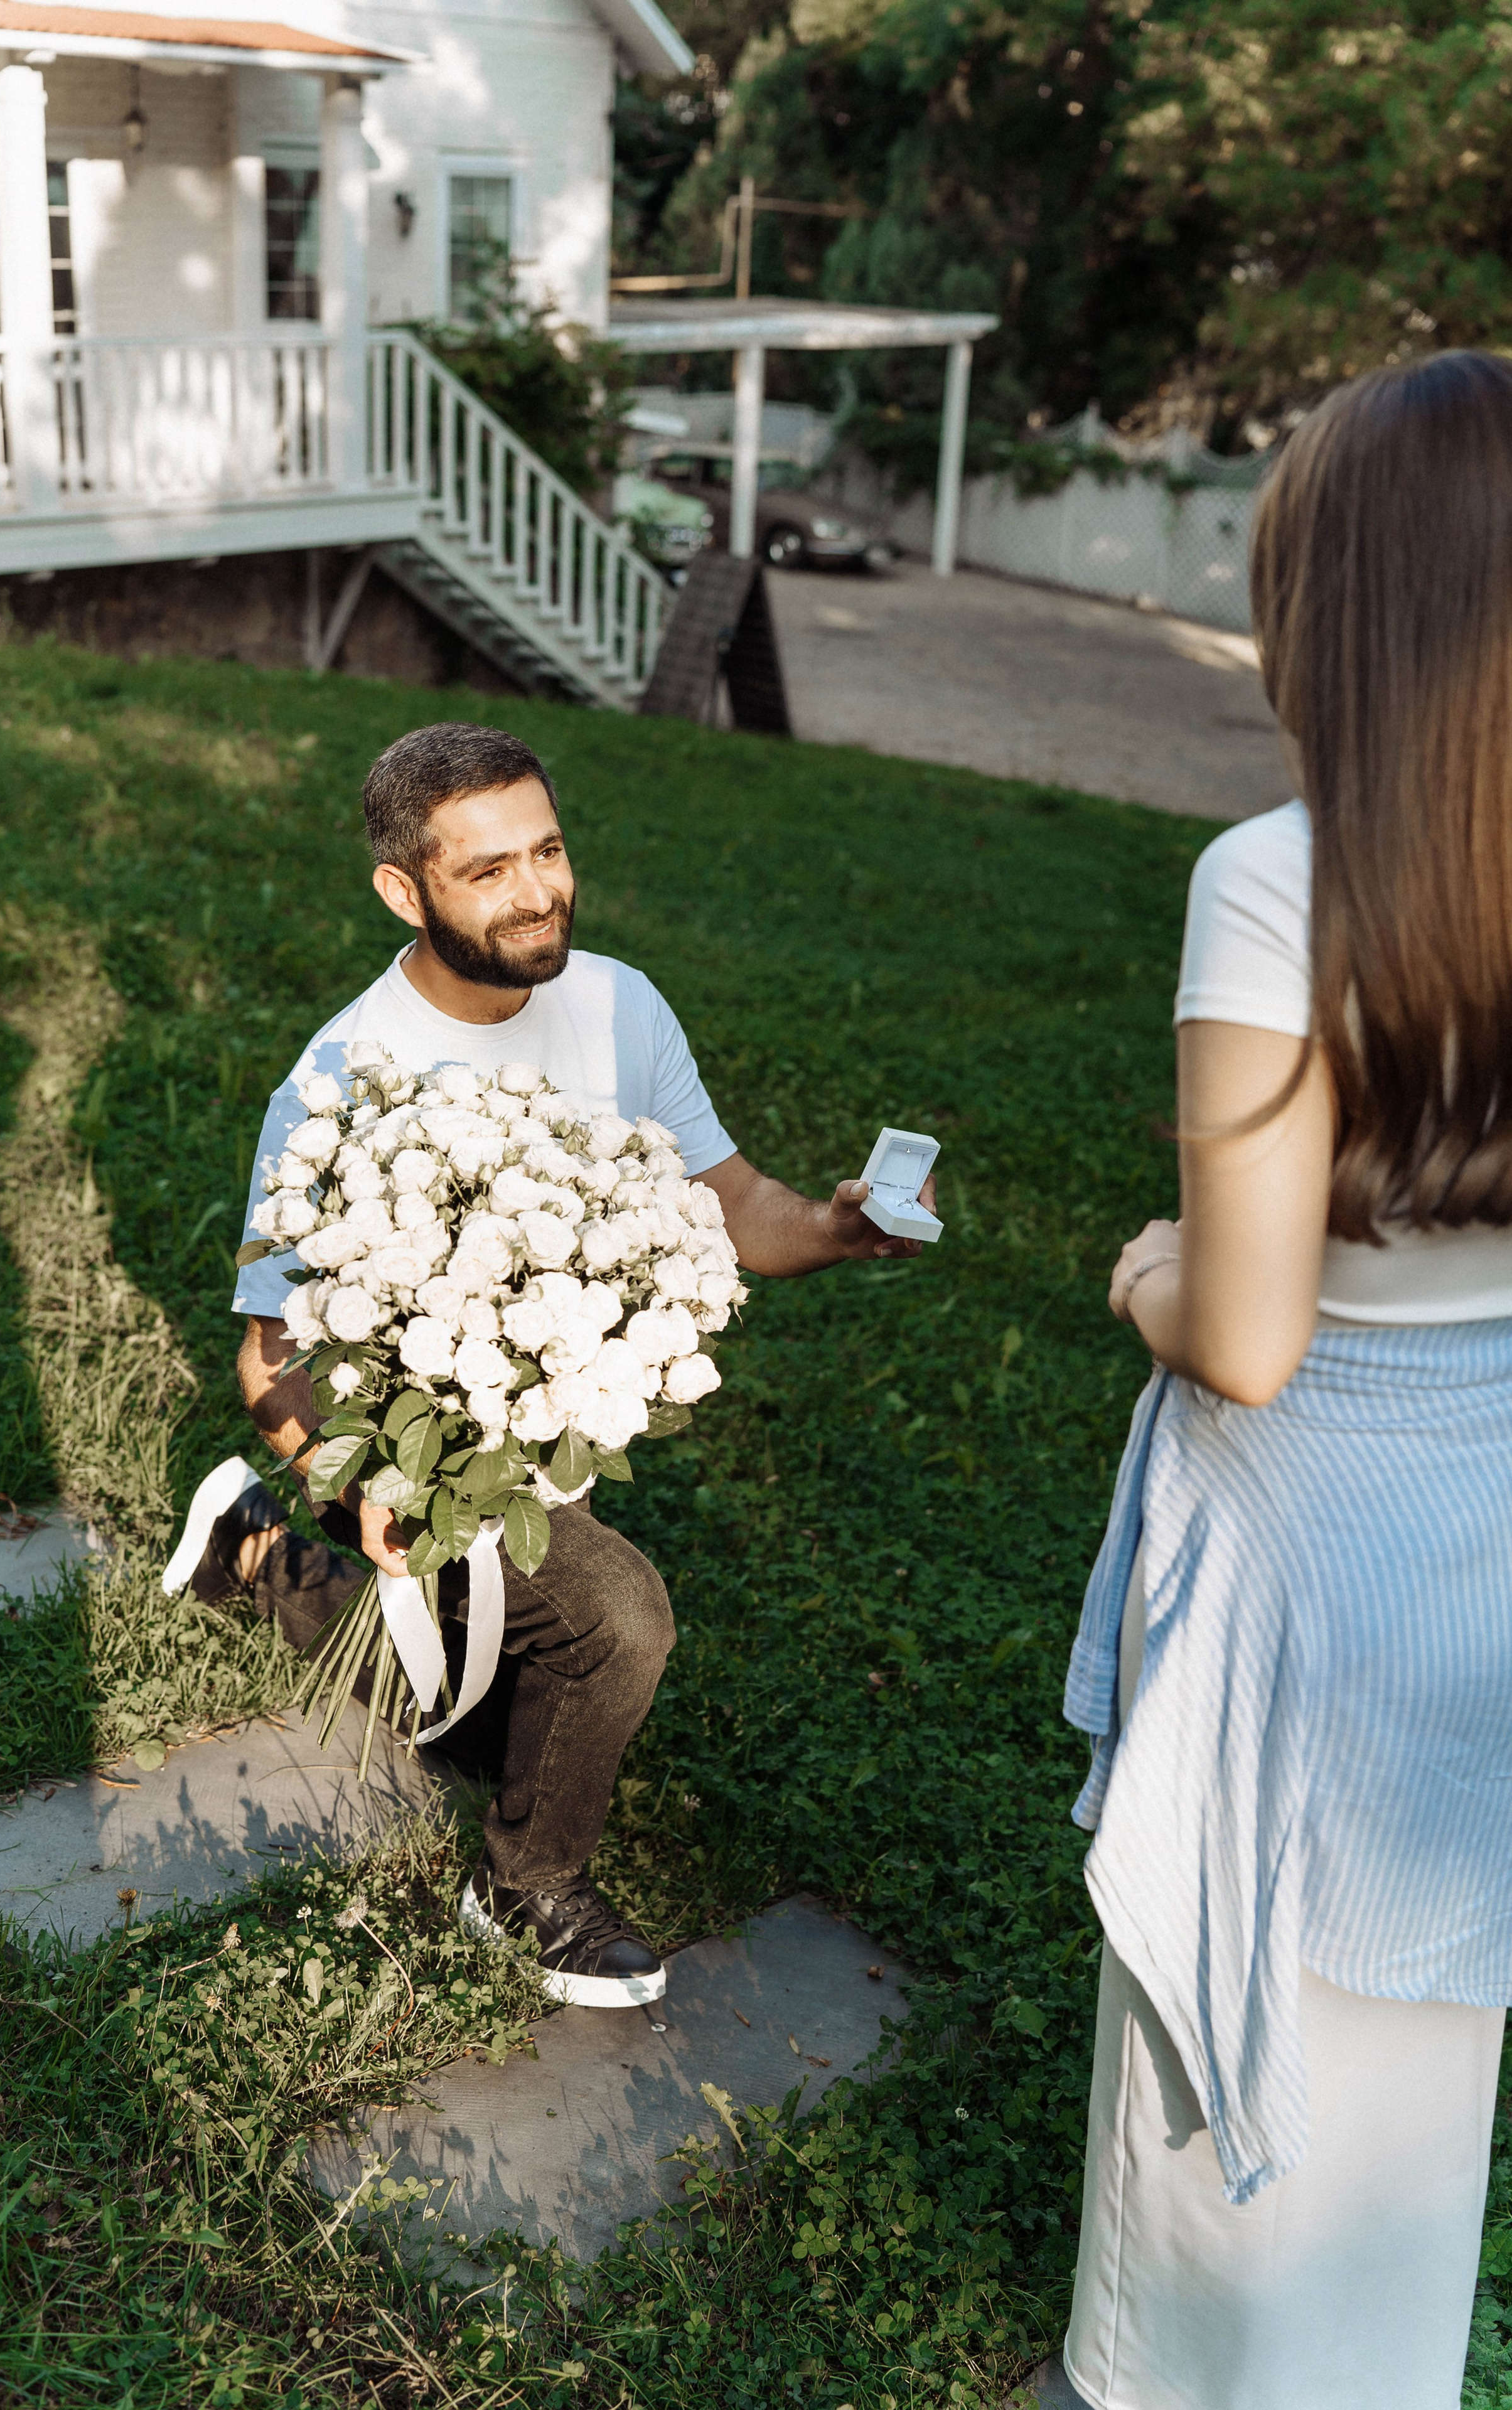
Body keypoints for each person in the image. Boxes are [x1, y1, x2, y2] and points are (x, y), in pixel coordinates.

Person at [162, 720, 935, 2011]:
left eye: (550, 851)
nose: (536, 893)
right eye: (488, 871)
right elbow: (270, 1360)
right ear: (403, 891)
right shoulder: (341, 1081)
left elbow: (728, 1201)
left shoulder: (620, 1003)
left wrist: (835, 1227)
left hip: (545, 1433)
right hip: (406, 1439)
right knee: (615, 1622)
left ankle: (250, 1556)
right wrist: (363, 1484)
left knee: (478, 1720)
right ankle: (525, 1888)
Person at [1039, 350, 1512, 2410]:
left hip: (1306, 1554)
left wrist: (1148, 1266)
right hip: (1489, 1523)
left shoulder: (1274, 881)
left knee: (1239, 2037)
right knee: (1424, 2022)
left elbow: (1245, 1336)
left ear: (1346, 608)